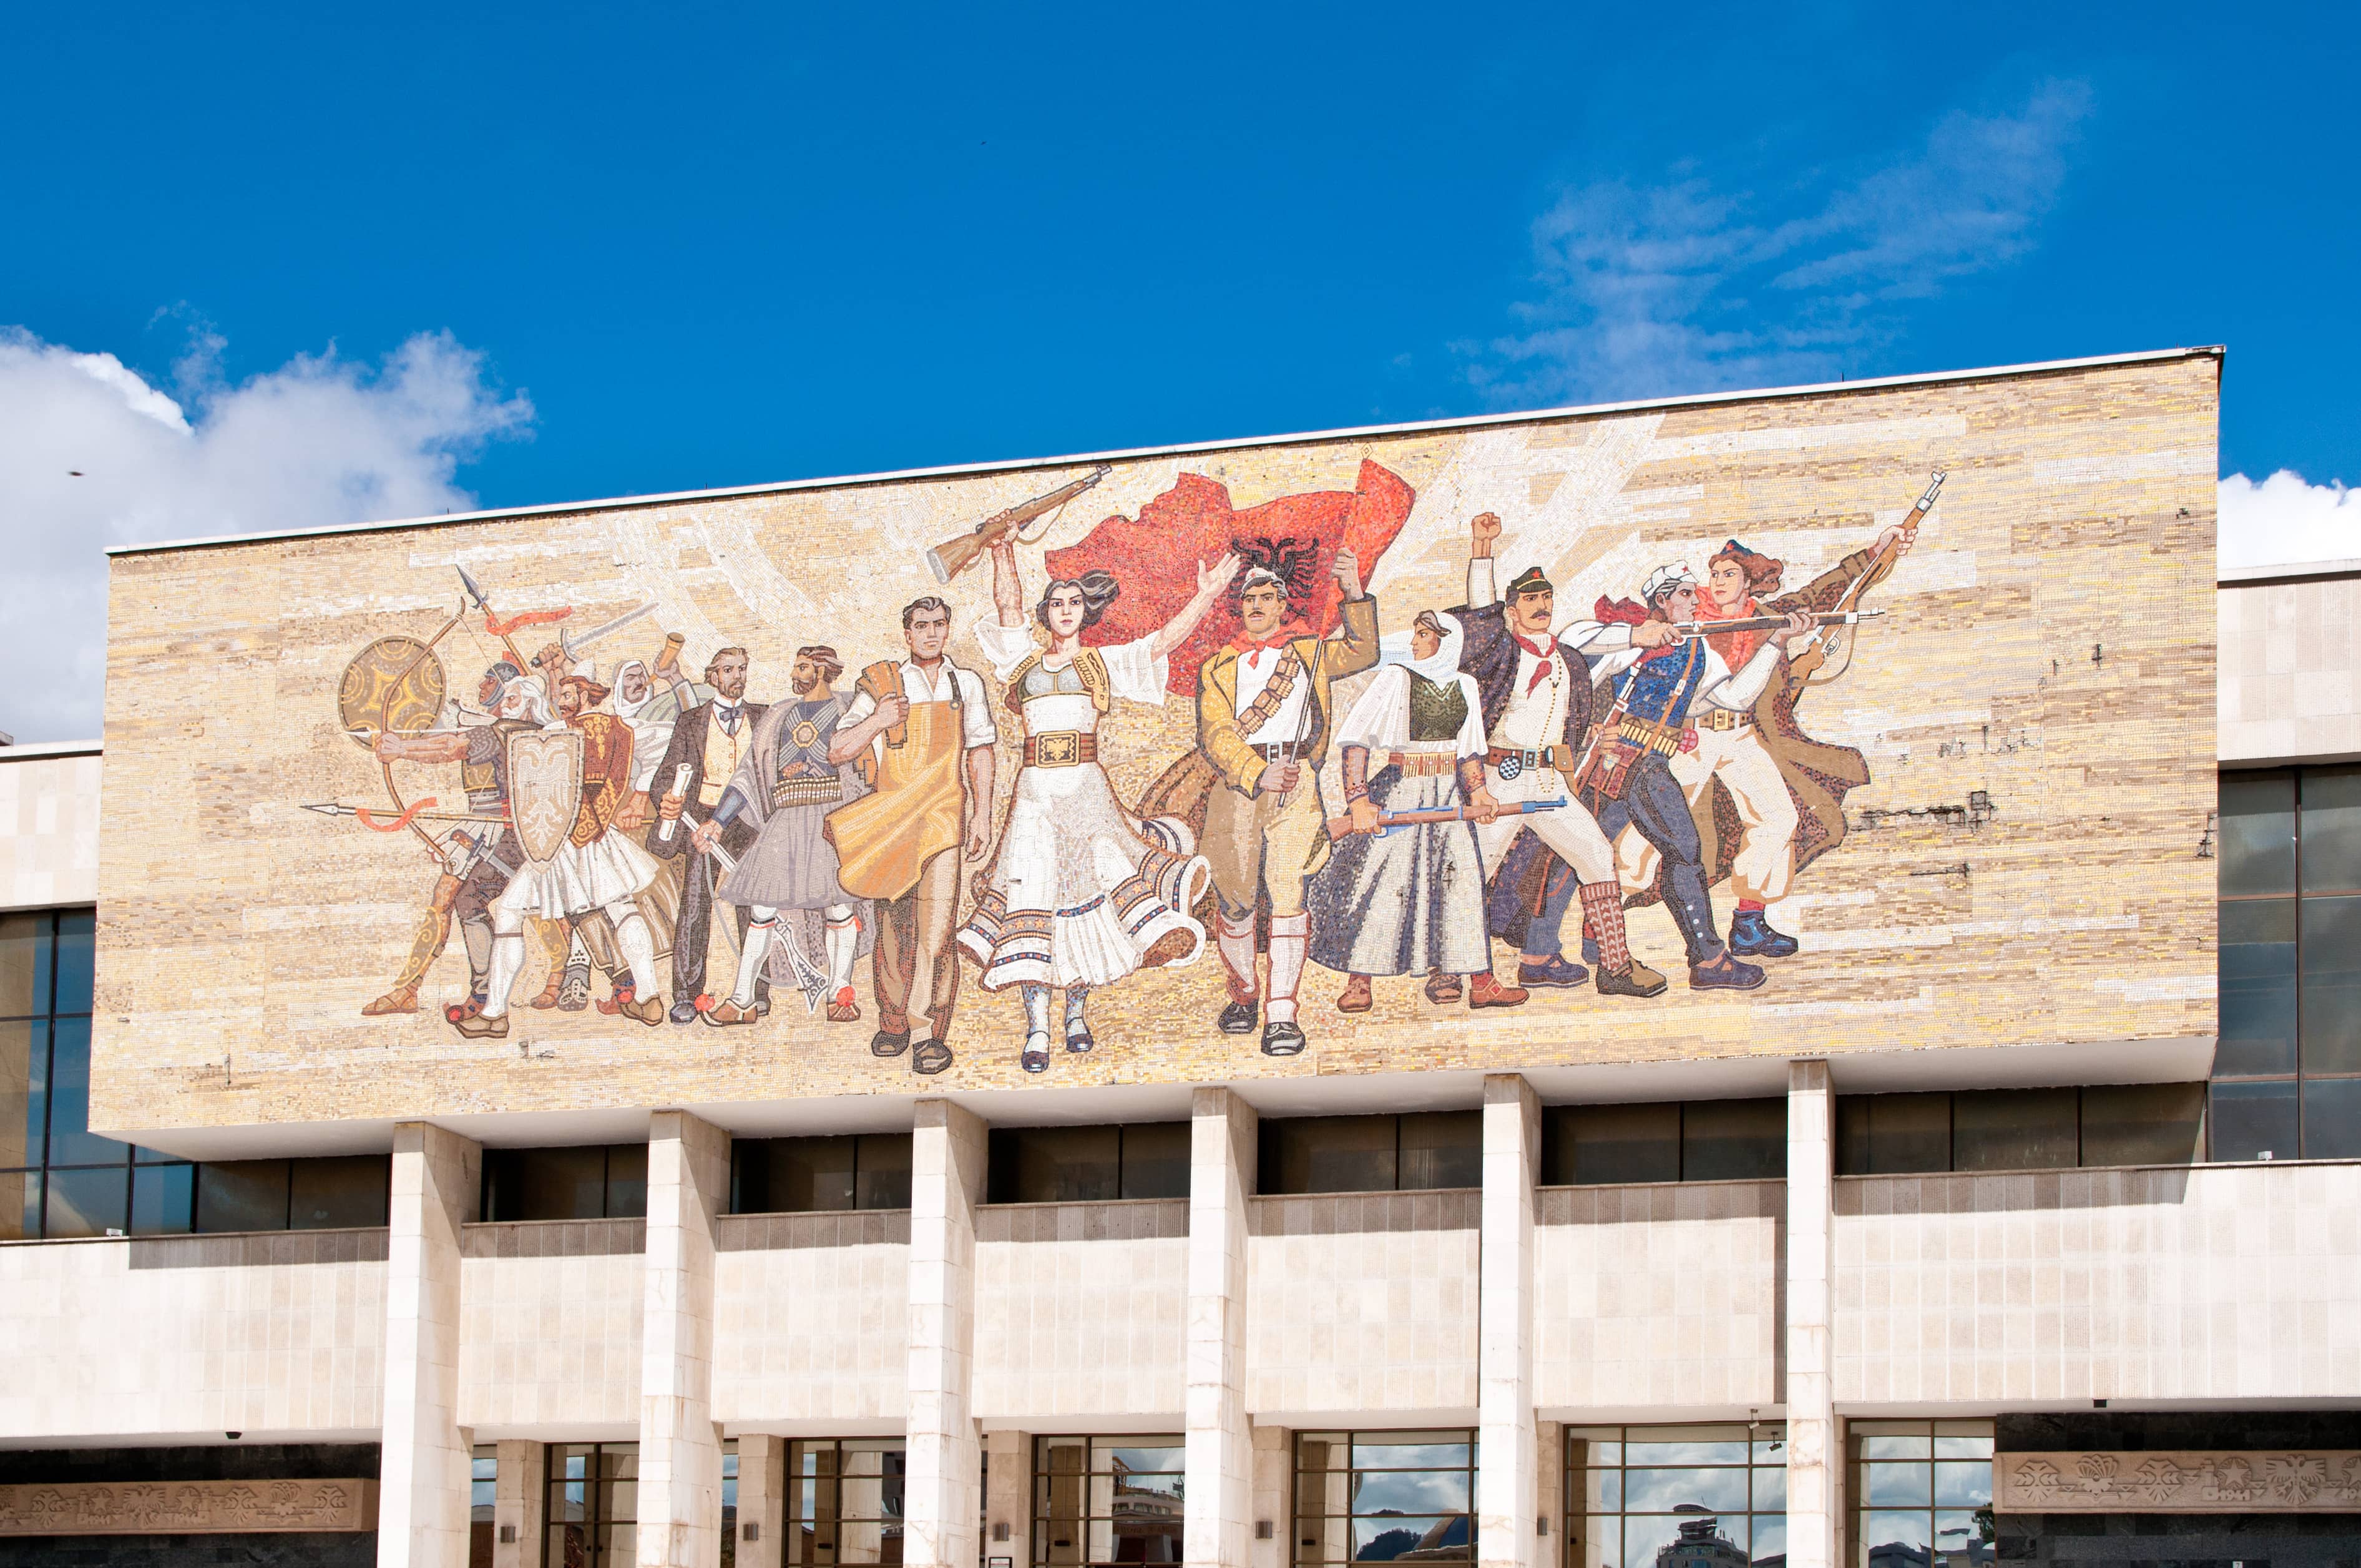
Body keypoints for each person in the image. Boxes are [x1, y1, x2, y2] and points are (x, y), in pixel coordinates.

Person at [956, 539, 1229, 1072]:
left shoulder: (1103, 663)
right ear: (1046, 612)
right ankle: (1037, 1026)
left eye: (1074, 603)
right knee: (1032, 900)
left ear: (1086, 612)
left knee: (1086, 900)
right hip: (1034, 796)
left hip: (1085, 794)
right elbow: (1007, 605)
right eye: (1056, 601)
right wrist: (1002, 547)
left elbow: (1160, 642)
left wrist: (1206, 596)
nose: (1064, 609)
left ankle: (1075, 1013)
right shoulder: (1022, 663)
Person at [1611, 520, 1914, 958]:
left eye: (1728, 574)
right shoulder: (1687, 614)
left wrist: (1875, 553)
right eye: (1713, 574)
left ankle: (1749, 923)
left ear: (1750, 582)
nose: (1716, 582)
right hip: (1689, 737)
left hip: (1739, 736)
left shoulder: (1765, 616)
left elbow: (1823, 592)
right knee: (1650, 828)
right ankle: (1605, 908)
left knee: (1777, 817)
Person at [1451, 512, 1668, 1000]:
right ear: (1511, 610)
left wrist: (1591, 742)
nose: (1540, 605)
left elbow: (1576, 715)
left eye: (1545, 597)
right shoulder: (1501, 651)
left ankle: (1614, 967)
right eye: (1529, 599)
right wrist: (1482, 549)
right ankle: (1450, 966)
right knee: (1472, 872)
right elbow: (1480, 610)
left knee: (1595, 855)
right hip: (1499, 775)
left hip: (1549, 781)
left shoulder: (1567, 656)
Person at [1578, 565, 1812, 991]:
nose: (1694, 600)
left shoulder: (1698, 650)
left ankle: (1632, 946)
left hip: (1651, 761)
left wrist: (1776, 642)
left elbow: (1736, 696)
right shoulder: (1635, 638)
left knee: (1638, 850)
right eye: (1685, 594)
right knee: (1631, 851)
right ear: (1662, 602)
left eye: (1692, 594)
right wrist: (1634, 637)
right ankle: (1703, 960)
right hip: (1619, 759)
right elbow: (1575, 650)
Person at [1194, 542, 1377, 1057]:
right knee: (1235, 897)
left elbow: (1364, 649)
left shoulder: (1310, 651)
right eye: (1248, 597)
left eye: (1266, 596)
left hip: (1298, 781)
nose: (1256, 604)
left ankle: (1281, 1013)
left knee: (1287, 891)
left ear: (1281, 605)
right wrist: (1256, 771)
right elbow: (1216, 732)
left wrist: (1353, 589)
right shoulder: (1217, 666)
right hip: (1239, 786)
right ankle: (1243, 993)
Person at [1307, 610, 1526, 1013]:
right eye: (1415, 633)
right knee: (1383, 882)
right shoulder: (1395, 679)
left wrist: (1479, 794)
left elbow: (1469, 751)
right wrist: (1358, 800)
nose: (1414, 642)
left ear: (1446, 641)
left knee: (1461, 881)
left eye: (1423, 634)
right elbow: (1356, 741)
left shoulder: (1465, 686)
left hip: (1448, 794)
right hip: (1400, 791)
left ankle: (1480, 980)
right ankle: (1360, 981)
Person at [825, 598, 999, 1076]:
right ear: (907, 633)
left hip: (944, 818)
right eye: (921, 626)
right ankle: (894, 1020)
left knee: (937, 930)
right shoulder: (883, 685)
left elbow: (980, 751)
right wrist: (879, 719)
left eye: (938, 625)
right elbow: (838, 749)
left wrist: (981, 815)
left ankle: (927, 1032)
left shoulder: (966, 684)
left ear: (947, 630)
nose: (930, 634)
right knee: (892, 928)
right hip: (893, 821)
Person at [692, 646, 874, 1025]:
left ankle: (841, 994)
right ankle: (743, 1001)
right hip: (786, 821)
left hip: (832, 818)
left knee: (839, 909)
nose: (795, 673)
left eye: (803, 667)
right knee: (761, 911)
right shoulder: (779, 715)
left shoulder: (849, 709)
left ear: (822, 671)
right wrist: (718, 822)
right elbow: (746, 775)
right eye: (796, 665)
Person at [360, 658, 528, 1018]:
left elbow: (452, 747)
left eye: (489, 682)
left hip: (498, 828)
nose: (481, 688)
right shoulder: (493, 725)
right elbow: (448, 739)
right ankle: (438, 988)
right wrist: (405, 743)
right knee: (464, 900)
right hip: (489, 825)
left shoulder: (500, 729)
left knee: (454, 898)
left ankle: (418, 988)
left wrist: (401, 750)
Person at [644, 649, 768, 1022]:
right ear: (712, 677)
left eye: (742, 669)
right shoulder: (690, 721)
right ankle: (686, 994)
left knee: (757, 904)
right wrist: (667, 799)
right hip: (703, 820)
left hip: (750, 821)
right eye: (729, 670)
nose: (737, 677)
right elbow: (665, 776)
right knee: (696, 901)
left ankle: (756, 992)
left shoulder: (763, 717)